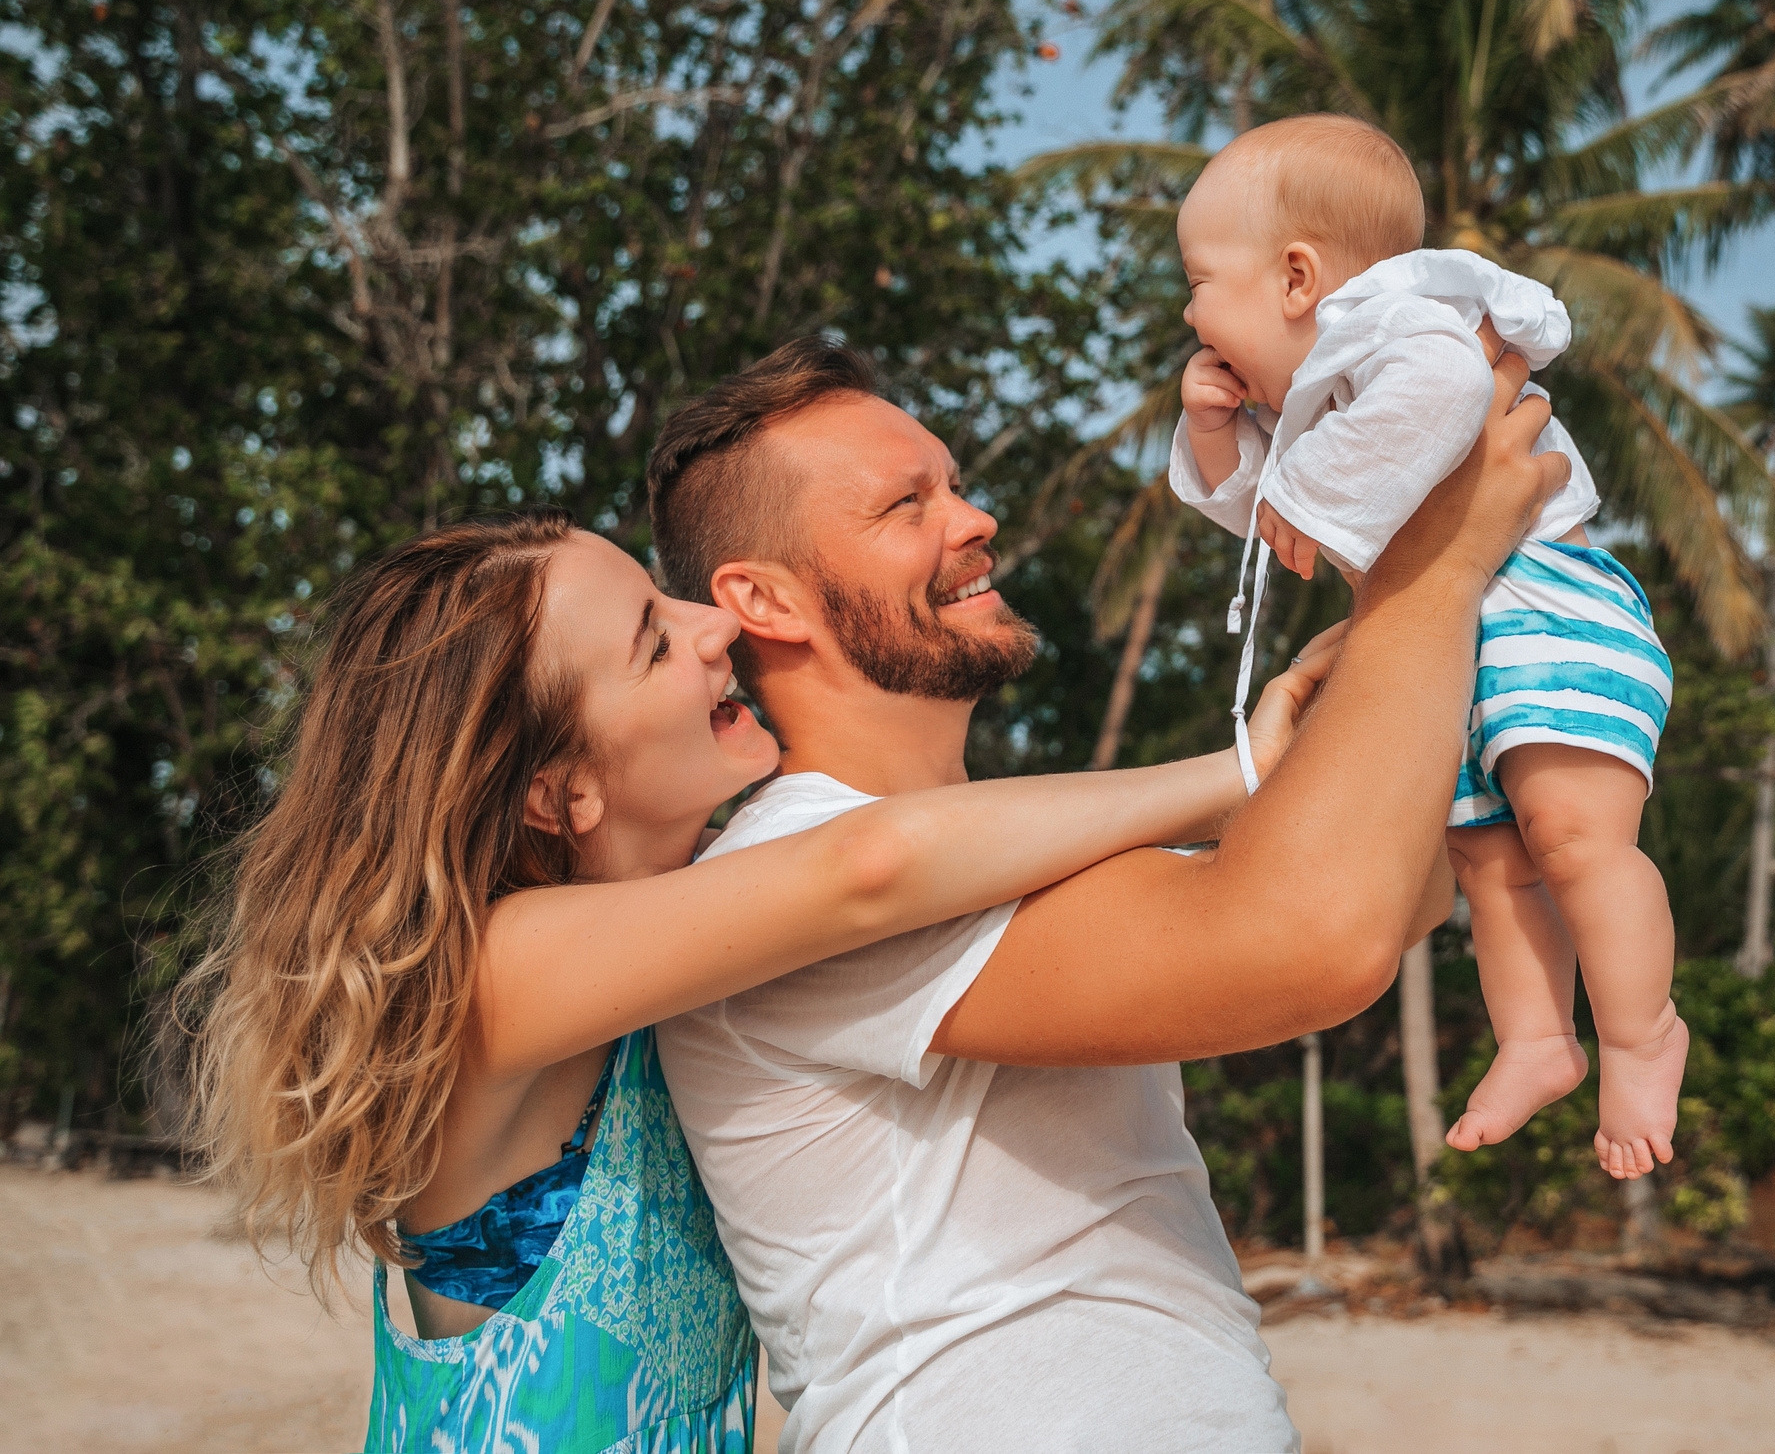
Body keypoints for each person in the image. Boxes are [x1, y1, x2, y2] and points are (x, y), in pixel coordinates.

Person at [173, 507, 1337, 1452]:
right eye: (651, 643)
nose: (710, 625)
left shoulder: (657, 967)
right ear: (561, 791)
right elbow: (865, 865)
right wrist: (1237, 770)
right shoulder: (499, 977)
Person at [644, 334, 1564, 1453]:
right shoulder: (787, 882)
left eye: (956, 484)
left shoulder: (1020, 845)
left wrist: (1395, 625)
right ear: (763, 600)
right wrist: (1434, 567)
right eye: (904, 505)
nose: (975, 520)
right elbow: (1315, 942)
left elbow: (1390, 898)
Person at [1169, 112, 1686, 1180]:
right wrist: (1219, 437)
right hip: (1454, 626)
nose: (1189, 313)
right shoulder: (1321, 397)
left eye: (1201, 282)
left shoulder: (1399, 321)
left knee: (1573, 840)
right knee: (1490, 863)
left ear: (1299, 277)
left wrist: (1312, 493)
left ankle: (1643, 1036)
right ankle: (1539, 1039)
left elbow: (1446, 398)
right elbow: (1274, 517)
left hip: (1548, 606)